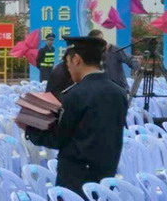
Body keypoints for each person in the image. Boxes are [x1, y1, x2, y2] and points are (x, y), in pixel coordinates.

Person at [25, 36, 128, 199]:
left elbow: (58, 138)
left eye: (68, 63)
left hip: (76, 177)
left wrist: (31, 128)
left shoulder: (75, 94)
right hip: (106, 175)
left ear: (76, 59)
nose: (68, 69)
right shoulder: (118, 93)